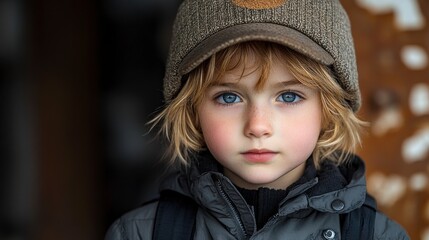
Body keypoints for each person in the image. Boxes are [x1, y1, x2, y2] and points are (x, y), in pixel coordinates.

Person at [105, 0, 410, 239]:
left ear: (328, 109)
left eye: (288, 96)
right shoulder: (140, 233)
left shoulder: (378, 235)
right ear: (192, 110)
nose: (257, 126)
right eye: (229, 97)